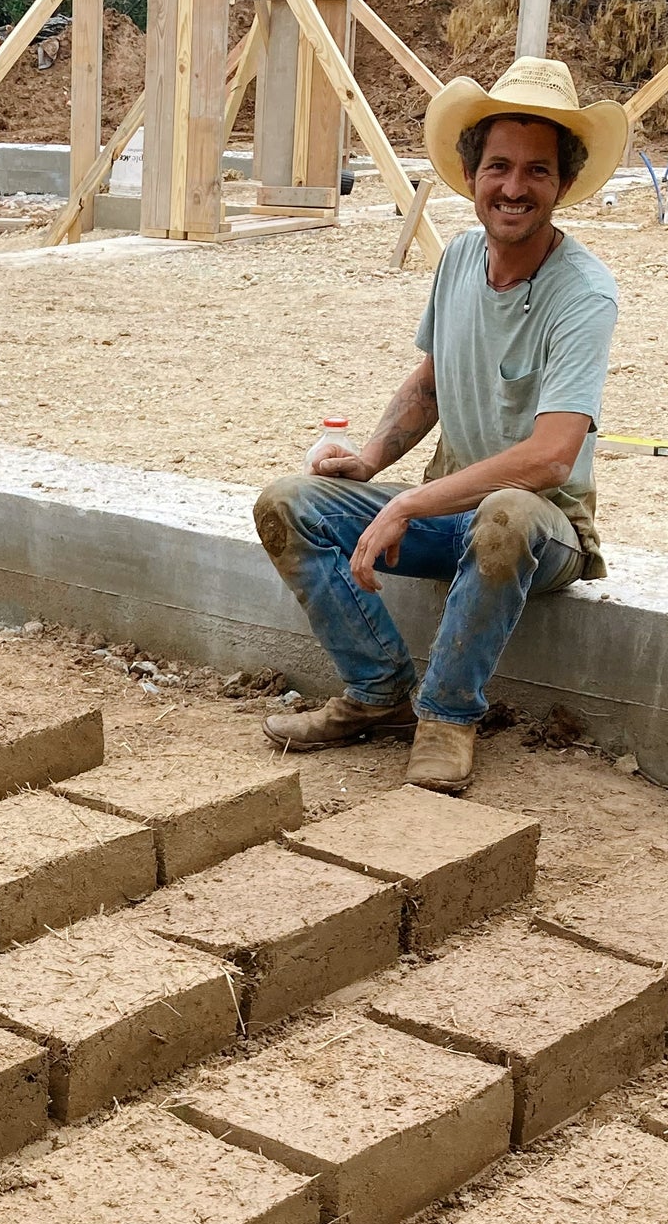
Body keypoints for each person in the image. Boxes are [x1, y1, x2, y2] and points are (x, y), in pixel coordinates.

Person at [254, 57, 630, 792]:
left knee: (504, 513)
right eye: (498, 166)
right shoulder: (460, 257)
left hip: (540, 531)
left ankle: (448, 717)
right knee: (286, 503)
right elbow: (430, 383)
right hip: (450, 514)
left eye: (537, 172)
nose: (514, 188)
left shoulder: (584, 293)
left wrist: (408, 502)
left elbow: (552, 459)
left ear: (562, 183)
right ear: (471, 172)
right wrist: (369, 462)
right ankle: (377, 693)